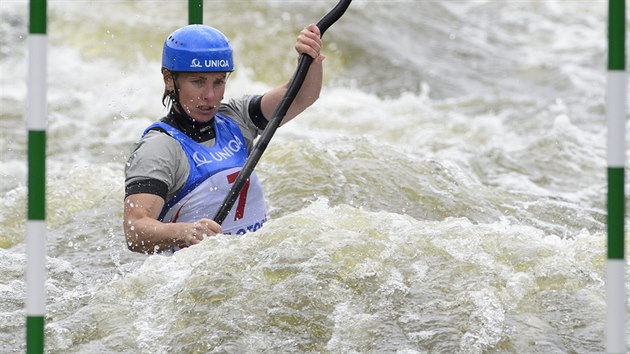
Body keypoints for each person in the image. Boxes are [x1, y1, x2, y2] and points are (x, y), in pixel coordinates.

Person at [123, 23, 324, 254]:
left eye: (218, 82)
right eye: (197, 82)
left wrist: (310, 58)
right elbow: (135, 231)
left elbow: (300, 97)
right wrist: (185, 232)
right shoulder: (160, 147)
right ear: (169, 79)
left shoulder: (235, 119)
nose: (210, 96)